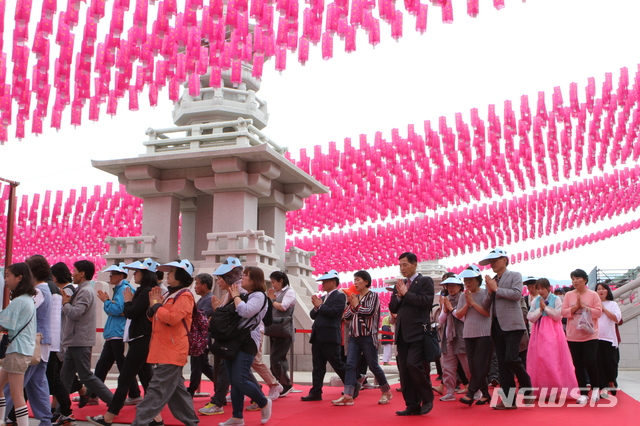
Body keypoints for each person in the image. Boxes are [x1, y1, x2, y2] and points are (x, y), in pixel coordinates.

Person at [87, 258, 160, 426]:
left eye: (137, 272)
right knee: (147, 381)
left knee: (125, 379)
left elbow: (129, 312)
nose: (134, 275)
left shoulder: (141, 291)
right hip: (135, 338)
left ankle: (109, 417)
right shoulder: (140, 291)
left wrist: (126, 301)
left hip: (139, 339)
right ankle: (157, 418)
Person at [129, 259, 199, 426]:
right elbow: (154, 316)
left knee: (156, 391)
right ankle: (191, 422)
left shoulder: (185, 296)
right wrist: (154, 307)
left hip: (172, 350)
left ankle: (139, 422)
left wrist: (156, 306)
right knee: (177, 393)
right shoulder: (170, 294)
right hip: (166, 349)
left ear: (181, 275)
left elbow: (172, 318)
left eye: (171, 272)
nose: (167, 274)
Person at [59, 260, 114, 426]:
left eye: (74, 270)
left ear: (82, 273)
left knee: (86, 376)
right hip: (76, 340)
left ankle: (114, 402)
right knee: (64, 377)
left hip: (80, 340)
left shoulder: (85, 292)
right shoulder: (83, 290)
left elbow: (76, 313)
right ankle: (61, 411)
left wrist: (66, 303)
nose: (72, 273)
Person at [216, 266, 272, 426]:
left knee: (239, 378)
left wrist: (235, 297)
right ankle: (237, 417)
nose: (242, 279)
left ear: (254, 280)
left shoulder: (259, 296)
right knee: (234, 380)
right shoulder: (244, 294)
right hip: (234, 340)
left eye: (246, 276)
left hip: (247, 342)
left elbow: (246, 311)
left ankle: (264, 402)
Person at [3, 255, 53, 426]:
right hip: (37, 343)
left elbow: (14, 319)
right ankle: (45, 419)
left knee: (14, 388)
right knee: (37, 384)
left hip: (28, 344)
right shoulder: (45, 290)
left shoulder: (36, 293)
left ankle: (8, 417)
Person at [480, 248, 532, 409]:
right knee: (502, 363)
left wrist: (496, 289)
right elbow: (485, 305)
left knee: (511, 358)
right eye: (491, 262)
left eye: (495, 260)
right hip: (495, 325)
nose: (492, 264)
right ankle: (509, 400)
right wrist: (489, 291)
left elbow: (517, 295)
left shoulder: (514, 275)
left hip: (513, 324)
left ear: (504, 260)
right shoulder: (492, 280)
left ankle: (527, 385)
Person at [332, 270, 392, 406]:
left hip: (368, 336)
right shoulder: (355, 297)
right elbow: (346, 316)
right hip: (354, 336)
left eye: (358, 279)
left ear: (366, 281)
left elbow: (370, 312)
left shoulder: (373, 296)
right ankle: (348, 394)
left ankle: (386, 391)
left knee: (373, 365)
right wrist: (353, 305)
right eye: (354, 280)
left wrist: (356, 306)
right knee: (350, 365)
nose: (356, 282)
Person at [389, 252, 434, 416]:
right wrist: (400, 296)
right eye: (400, 265)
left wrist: (406, 294)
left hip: (418, 332)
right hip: (401, 333)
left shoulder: (425, 281)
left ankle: (427, 397)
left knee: (413, 365)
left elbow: (425, 301)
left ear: (415, 264)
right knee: (404, 370)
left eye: (405, 264)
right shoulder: (399, 284)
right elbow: (393, 307)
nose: (402, 268)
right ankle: (412, 404)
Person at [90, 263, 141, 406]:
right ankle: (92, 394)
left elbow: (118, 309)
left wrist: (106, 301)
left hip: (118, 333)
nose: (110, 276)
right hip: (114, 333)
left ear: (121, 275)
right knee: (103, 365)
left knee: (122, 366)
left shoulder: (124, 289)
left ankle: (134, 394)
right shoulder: (120, 288)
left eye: (113, 274)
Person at [526, 278, 577, 400]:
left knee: (552, 360)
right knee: (540, 360)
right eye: (538, 288)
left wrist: (546, 309)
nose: (540, 291)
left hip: (553, 332)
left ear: (548, 288)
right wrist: (540, 309)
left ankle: (556, 389)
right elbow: (530, 317)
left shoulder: (556, 299)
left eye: (542, 288)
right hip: (538, 332)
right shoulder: (536, 301)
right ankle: (543, 389)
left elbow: (559, 316)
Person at [0, 263, 37, 426]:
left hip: (17, 351)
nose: (5, 279)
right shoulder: (27, 300)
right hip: (21, 350)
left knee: (16, 394)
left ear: (19, 278)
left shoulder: (19, 301)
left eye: (8, 275)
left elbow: (5, 325)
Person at [302, 270, 347, 402]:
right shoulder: (323, 297)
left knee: (337, 363)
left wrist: (320, 307)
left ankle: (352, 385)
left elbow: (334, 312)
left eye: (325, 281)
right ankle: (316, 391)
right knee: (318, 366)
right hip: (318, 336)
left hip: (330, 336)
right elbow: (313, 314)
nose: (323, 284)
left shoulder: (339, 296)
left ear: (334, 282)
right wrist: (317, 307)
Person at [561, 269, 602, 405]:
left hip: (590, 334)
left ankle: (595, 389)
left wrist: (585, 307)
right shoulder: (568, 295)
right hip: (573, 335)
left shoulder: (593, 295)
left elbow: (598, 313)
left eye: (578, 278)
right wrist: (575, 308)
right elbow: (564, 312)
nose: (575, 281)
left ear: (584, 280)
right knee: (578, 364)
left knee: (590, 361)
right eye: (573, 279)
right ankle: (583, 393)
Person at [455, 265, 492, 406]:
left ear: (478, 280)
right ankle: (486, 394)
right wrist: (467, 304)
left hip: (484, 333)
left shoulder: (485, 293)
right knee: (474, 366)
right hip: (468, 333)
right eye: (466, 280)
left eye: (470, 280)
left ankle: (470, 393)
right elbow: (458, 314)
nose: (468, 283)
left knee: (480, 365)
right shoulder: (464, 295)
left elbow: (488, 313)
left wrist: (472, 303)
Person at [266, 271, 296, 397]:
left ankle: (285, 384)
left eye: (274, 282)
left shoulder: (289, 292)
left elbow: (283, 307)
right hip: (274, 328)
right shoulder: (276, 293)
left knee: (276, 357)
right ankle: (279, 383)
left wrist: (272, 299)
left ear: (281, 280)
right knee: (277, 358)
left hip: (284, 330)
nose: (273, 285)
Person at [187, 273, 215, 397]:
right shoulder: (203, 299)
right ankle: (222, 383)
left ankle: (191, 390)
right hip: (201, 338)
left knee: (197, 365)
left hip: (201, 339)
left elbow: (201, 317)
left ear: (204, 285)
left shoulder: (209, 300)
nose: (195, 287)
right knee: (203, 366)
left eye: (197, 284)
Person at [595, 283, 621, 399]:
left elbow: (617, 319)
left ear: (607, 291)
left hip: (609, 338)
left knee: (610, 363)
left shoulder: (613, 304)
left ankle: (612, 380)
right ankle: (603, 388)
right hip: (595, 338)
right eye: (598, 289)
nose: (600, 291)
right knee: (599, 364)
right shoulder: (593, 305)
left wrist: (603, 308)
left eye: (603, 289)